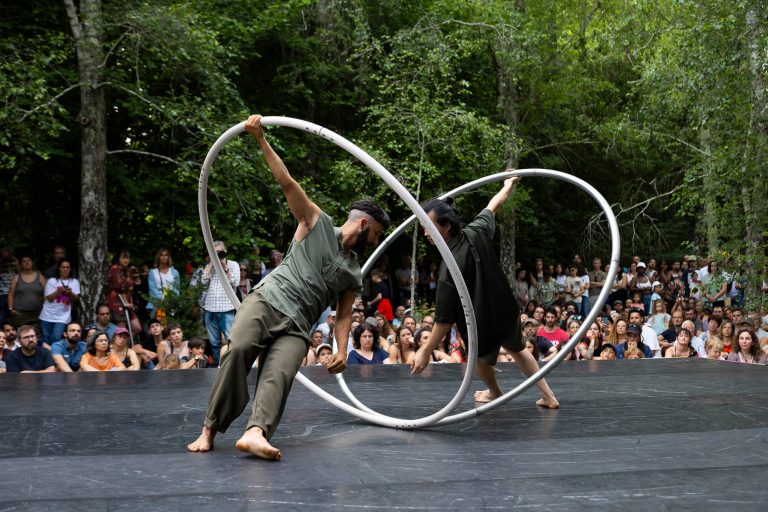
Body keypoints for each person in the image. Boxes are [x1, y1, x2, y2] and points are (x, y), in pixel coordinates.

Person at [187, 114, 389, 460]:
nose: (374, 241)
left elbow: (342, 317)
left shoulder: (353, 271)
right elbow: (286, 182)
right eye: (375, 235)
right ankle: (209, 429)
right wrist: (260, 139)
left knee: (279, 374)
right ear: (364, 224)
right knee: (237, 352)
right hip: (268, 301)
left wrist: (341, 349)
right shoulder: (316, 222)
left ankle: (255, 433)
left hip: (298, 327)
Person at [411, 175, 558, 408]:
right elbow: (494, 205)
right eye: (424, 228)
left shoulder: (449, 268)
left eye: (430, 227)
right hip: (504, 307)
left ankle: (495, 392)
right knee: (519, 349)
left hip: (481, 320)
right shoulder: (475, 231)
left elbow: (443, 320)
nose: (426, 233)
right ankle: (548, 396)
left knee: (478, 359)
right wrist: (508, 185)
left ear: (446, 226)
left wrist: (425, 350)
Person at [200, 240, 239, 366]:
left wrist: (224, 266)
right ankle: (217, 365)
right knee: (214, 342)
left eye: (219, 252)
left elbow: (235, 282)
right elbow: (203, 282)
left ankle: (231, 365)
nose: (217, 254)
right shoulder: (209, 265)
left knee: (230, 339)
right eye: (214, 252)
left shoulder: (233, 264)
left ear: (224, 251)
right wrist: (212, 262)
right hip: (210, 308)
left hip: (227, 307)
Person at [38, 259, 80, 347]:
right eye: (63, 267)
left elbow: (76, 299)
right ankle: (47, 358)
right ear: (59, 269)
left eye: (67, 267)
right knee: (45, 338)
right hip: (47, 315)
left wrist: (70, 293)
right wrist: (58, 291)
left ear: (70, 269)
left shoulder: (74, 281)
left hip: (63, 316)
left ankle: (55, 356)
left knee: (56, 337)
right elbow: (49, 298)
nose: (65, 269)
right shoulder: (52, 281)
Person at [7, 255, 46, 330]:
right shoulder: (17, 277)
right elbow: (11, 294)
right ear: (21, 264)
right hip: (20, 313)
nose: (26, 263)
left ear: (32, 263)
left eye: (29, 260)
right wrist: (11, 309)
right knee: (20, 336)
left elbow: (46, 294)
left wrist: (44, 307)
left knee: (35, 335)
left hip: (37, 313)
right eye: (24, 261)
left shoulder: (40, 277)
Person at [147, 248, 181, 319]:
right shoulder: (152, 272)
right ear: (158, 257)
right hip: (157, 303)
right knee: (158, 325)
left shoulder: (175, 272)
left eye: (166, 255)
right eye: (161, 255)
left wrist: (172, 300)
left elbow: (177, 289)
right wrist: (163, 301)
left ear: (168, 257)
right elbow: (152, 289)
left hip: (172, 303)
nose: (164, 257)